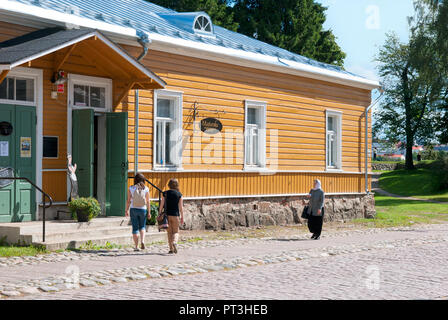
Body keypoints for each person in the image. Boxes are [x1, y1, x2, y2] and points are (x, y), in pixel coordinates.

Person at [125, 173, 150, 251]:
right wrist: (149, 212)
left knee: (135, 228)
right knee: (142, 226)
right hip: (143, 209)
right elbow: (148, 201)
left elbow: (128, 201)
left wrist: (126, 210)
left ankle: (136, 246)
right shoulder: (146, 188)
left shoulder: (131, 188)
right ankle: (142, 241)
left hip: (133, 209)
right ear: (143, 180)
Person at [159, 178, 184, 254]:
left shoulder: (165, 193)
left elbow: (162, 204)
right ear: (177, 185)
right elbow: (181, 207)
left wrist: (160, 213)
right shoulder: (179, 194)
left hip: (167, 215)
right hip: (175, 215)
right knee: (176, 232)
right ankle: (175, 242)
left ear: (169, 185)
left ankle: (171, 249)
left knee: (169, 232)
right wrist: (182, 217)